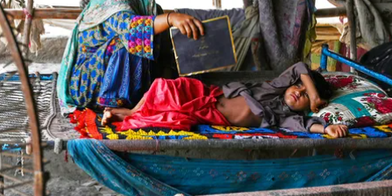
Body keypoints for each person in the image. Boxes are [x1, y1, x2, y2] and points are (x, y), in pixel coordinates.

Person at [57, 0, 205, 110]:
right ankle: (113, 105)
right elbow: (132, 31)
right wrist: (170, 18)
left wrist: (165, 85)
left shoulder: (150, 9)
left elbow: (164, 53)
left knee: (157, 43)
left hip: (119, 81)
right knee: (133, 41)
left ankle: (142, 100)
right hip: (86, 84)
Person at [103, 62, 350, 138]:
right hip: (207, 95)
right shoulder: (275, 87)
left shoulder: (286, 117)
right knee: (165, 87)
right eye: (299, 87)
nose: (299, 92)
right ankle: (129, 111)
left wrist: (328, 127)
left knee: (171, 118)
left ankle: (119, 114)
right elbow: (299, 67)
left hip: (208, 114)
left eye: (305, 97)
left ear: (310, 107)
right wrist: (314, 93)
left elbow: (307, 126)